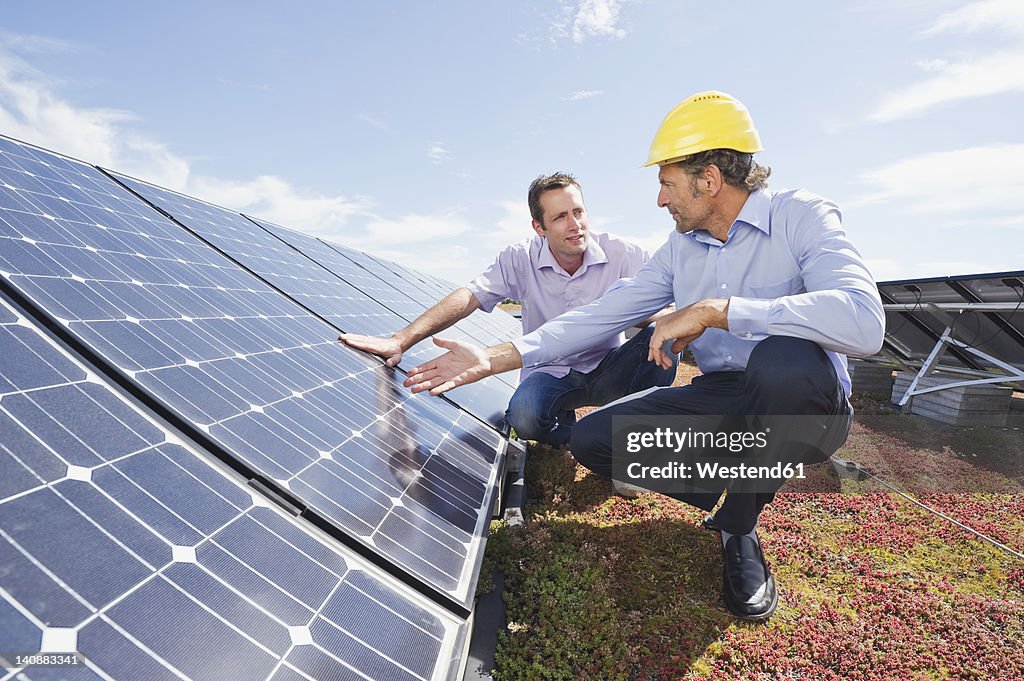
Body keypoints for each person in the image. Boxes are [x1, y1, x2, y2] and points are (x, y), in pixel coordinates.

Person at [401, 91, 885, 620]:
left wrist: (720, 311)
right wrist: (495, 357)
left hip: (806, 402)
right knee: (592, 439)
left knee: (782, 361)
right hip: (727, 397)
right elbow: (600, 316)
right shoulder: (680, 249)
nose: (659, 199)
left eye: (666, 182)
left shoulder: (802, 216)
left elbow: (864, 323)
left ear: (709, 179)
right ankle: (739, 472)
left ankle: (738, 527)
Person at [340, 172, 677, 448]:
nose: (575, 224)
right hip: (549, 372)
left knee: (664, 338)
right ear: (539, 227)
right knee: (525, 417)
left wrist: (659, 318)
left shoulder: (625, 253)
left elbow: (661, 305)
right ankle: (579, 440)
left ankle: (635, 443)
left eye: (578, 212)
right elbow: (471, 295)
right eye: (560, 217)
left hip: (609, 367)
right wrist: (401, 339)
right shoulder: (519, 258)